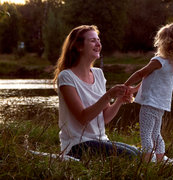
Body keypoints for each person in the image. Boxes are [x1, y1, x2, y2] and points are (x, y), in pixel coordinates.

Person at [54, 25, 139, 160]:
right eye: (93, 40)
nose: (98, 44)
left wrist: (119, 101)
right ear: (79, 46)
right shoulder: (66, 77)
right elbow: (83, 118)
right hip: (77, 145)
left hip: (101, 140)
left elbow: (104, 118)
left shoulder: (98, 74)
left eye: (98, 40)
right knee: (131, 157)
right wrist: (109, 95)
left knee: (138, 153)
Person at [124, 23, 173, 162]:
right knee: (156, 134)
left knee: (145, 134)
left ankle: (147, 163)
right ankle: (159, 160)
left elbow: (141, 73)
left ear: (164, 42)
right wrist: (134, 89)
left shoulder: (158, 61)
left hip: (149, 103)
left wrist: (125, 85)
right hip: (160, 105)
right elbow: (149, 78)